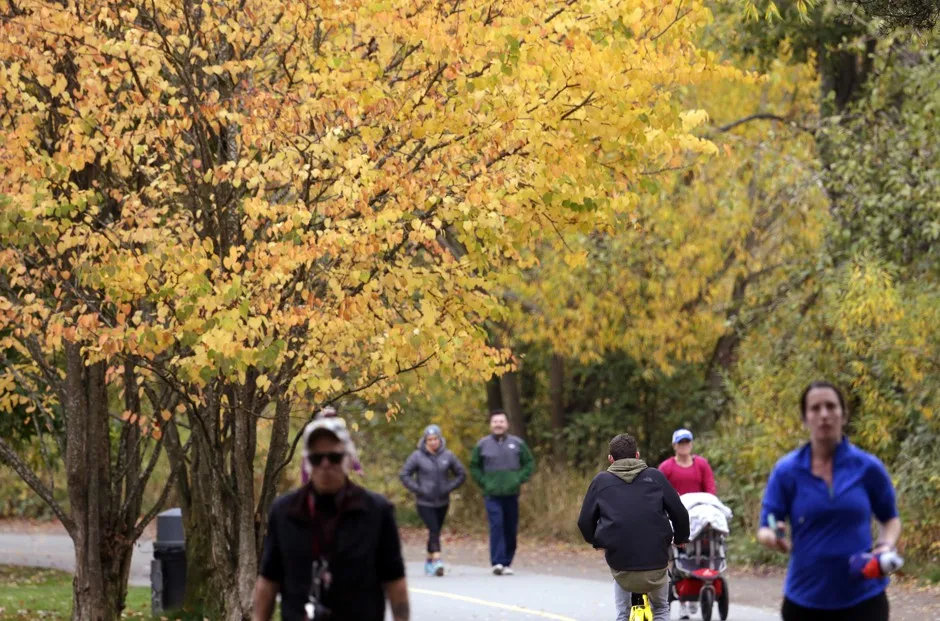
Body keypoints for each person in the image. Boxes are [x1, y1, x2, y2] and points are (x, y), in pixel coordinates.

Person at [757, 380, 902, 621]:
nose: (824, 414)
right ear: (805, 419)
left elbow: (891, 519)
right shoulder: (786, 471)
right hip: (805, 600)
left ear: (843, 415)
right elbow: (766, 525)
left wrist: (885, 545)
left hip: (864, 599)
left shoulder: (867, 467)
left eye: (831, 407)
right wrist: (774, 536)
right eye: (815, 409)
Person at [253, 416, 410, 621]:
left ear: (348, 458)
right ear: (307, 462)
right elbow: (268, 581)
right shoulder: (284, 512)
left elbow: (395, 581)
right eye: (316, 458)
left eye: (334, 457)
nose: (325, 465)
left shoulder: (376, 511)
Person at [578, 433, 690, 621]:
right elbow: (680, 513)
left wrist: (596, 541)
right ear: (637, 455)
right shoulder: (655, 477)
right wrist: (680, 538)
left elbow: (584, 522)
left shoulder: (601, 481)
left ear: (611, 459)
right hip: (656, 560)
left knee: (623, 613)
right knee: (661, 609)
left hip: (621, 562)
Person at [658, 427, 716, 618]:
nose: (684, 446)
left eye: (687, 443)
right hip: (677, 517)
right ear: (674, 446)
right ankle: (683, 599)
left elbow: (710, 490)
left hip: (700, 516)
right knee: (680, 557)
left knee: (704, 553)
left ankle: (701, 591)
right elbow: (659, 492)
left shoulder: (701, 465)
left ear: (691, 444)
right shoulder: (666, 468)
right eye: (681, 443)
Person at [469, 409, 535, 575]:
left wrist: (518, 479)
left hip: (512, 494)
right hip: (491, 494)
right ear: (491, 425)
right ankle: (497, 562)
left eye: (501, 422)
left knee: (510, 528)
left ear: (507, 424)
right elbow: (474, 467)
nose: (498, 424)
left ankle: (507, 562)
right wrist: (484, 482)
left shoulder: (517, 443)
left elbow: (529, 463)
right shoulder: (482, 445)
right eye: (495, 422)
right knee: (497, 525)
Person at [399, 424, 467, 576]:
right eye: (429, 439)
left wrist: (449, 487)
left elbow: (461, 474)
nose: (433, 442)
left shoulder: (448, 455)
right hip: (424, 502)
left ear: (440, 439)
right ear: (425, 441)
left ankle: (429, 562)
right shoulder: (417, 456)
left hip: (442, 501)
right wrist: (418, 489)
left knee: (434, 531)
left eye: (435, 439)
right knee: (434, 529)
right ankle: (437, 560)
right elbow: (405, 475)